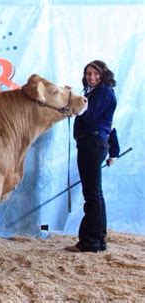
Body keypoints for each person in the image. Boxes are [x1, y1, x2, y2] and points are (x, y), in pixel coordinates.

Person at [65, 60, 118, 253]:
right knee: (96, 193)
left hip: (92, 145)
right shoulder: (96, 93)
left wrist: (73, 100)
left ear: (103, 74)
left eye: (95, 74)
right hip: (92, 144)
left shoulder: (103, 92)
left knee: (92, 195)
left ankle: (89, 242)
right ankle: (98, 239)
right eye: (88, 74)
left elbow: (90, 115)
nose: (92, 77)